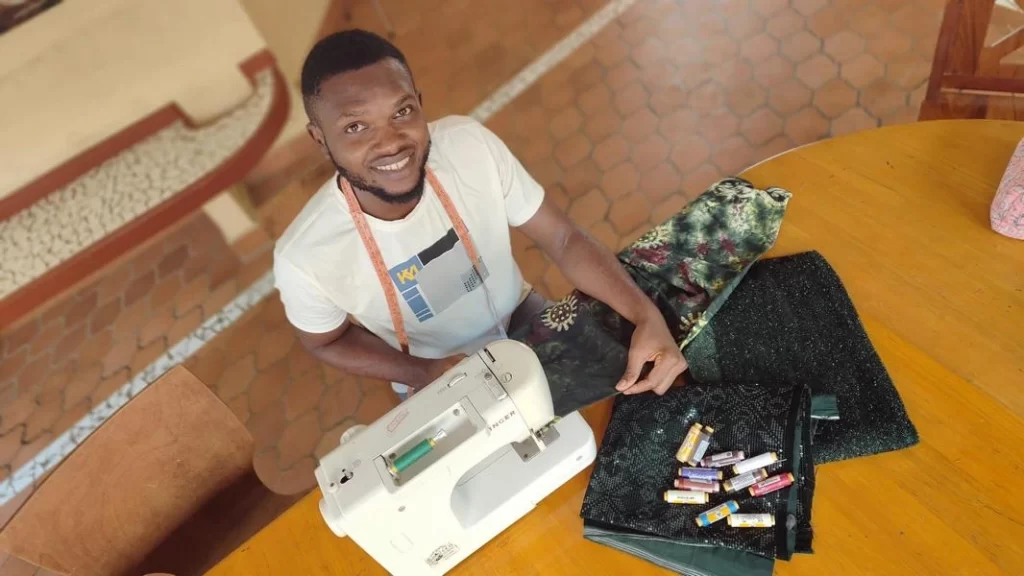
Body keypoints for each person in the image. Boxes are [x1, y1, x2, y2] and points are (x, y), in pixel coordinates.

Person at [274, 29, 686, 401]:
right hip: (435, 372)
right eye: (356, 127)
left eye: (401, 113)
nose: (392, 144)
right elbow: (325, 341)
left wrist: (644, 314)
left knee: (625, 406)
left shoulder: (469, 147)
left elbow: (563, 239)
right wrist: (421, 371)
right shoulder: (306, 256)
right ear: (320, 140)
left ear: (419, 104)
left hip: (522, 316)